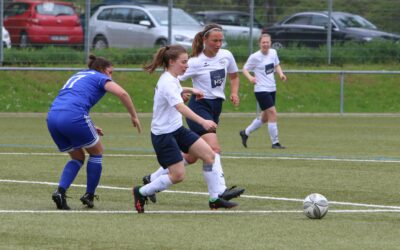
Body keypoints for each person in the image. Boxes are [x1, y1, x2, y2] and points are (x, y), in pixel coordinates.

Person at [141, 24, 245, 205]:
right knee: (213, 149)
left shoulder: (226, 56)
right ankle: (219, 192)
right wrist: (184, 96)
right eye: (215, 40)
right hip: (199, 107)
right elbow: (173, 83)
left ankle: (152, 178)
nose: (219, 44)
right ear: (204, 40)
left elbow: (234, 76)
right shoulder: (194, 62)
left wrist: (234, 92)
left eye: (221, 40)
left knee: (192, 156)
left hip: (215, 106)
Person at [47, 55, 142, 210]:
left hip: (53, 117)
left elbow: (72, 100)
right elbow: (123, 93)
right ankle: (89, 195)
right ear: (102, 70)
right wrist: (134, 116)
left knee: (77, 157)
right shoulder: (99, 77)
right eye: (110, 72)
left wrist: (89, 124)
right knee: (97, 153)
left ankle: (60, 192)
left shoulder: (78, 75)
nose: (111, 77)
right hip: (74, 117)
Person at [239, 33, 287, 149]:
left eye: (267, 42)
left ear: (270, 43)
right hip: (261, 90)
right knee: (273, 113)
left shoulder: (273, 53)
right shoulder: (255, 56)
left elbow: (277, 65)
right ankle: (275, 143)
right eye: (263, 42)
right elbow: (244, 69)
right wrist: (250, 78)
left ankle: (245, 132)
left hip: (272, 88)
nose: (265, 44)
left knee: (265, 118)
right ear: (259, 44)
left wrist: (281, 74)